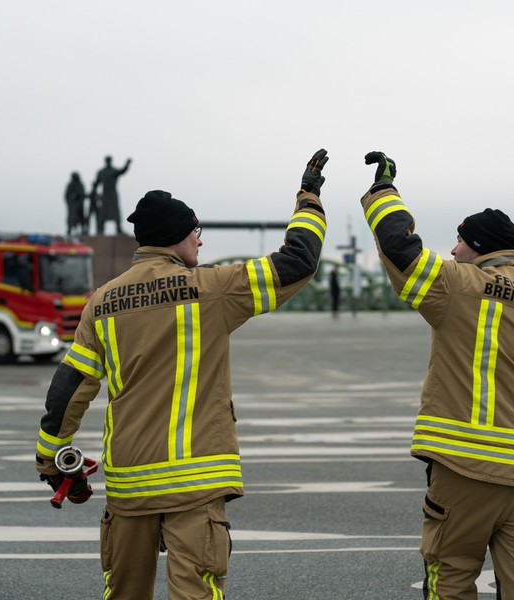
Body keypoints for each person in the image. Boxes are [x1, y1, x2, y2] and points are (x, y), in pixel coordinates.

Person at [35, 149, 328, 600]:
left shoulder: (102, 303)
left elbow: (69, 387)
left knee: (123, 593)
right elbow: (298, 261)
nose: (201, 244)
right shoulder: (212, 288)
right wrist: (309, 197)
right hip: (196, 483)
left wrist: (51, 461)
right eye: (197, 233)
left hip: (130, 485)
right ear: (179, 237)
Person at [359, 152, 514, 600]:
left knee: (449, 580)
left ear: (481, 247)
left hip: (464, 471)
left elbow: (400, 249)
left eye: (459, 241)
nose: (452, 251)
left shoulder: (461, 287)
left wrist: (384, 193)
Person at [92, 155, 132, 234]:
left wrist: (127, 164)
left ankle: (118, 228)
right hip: (105, 195)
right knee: (103, 212)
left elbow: (122, 171)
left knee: (115, 212)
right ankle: (101, 229)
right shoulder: (101, 172)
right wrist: (93, 193)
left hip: (112, 194)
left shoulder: (114, 171)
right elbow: (96, 183)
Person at [65, 172, 86, 236]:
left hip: (79, 205)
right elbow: (66, 195)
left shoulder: (80, 185)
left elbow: (82, 195)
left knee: (81, 218)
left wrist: (78, 202)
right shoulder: (70, 185)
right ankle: (69, 229)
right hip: (72, 205)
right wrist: (71, 202)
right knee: (71, 218)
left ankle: (83, 229)